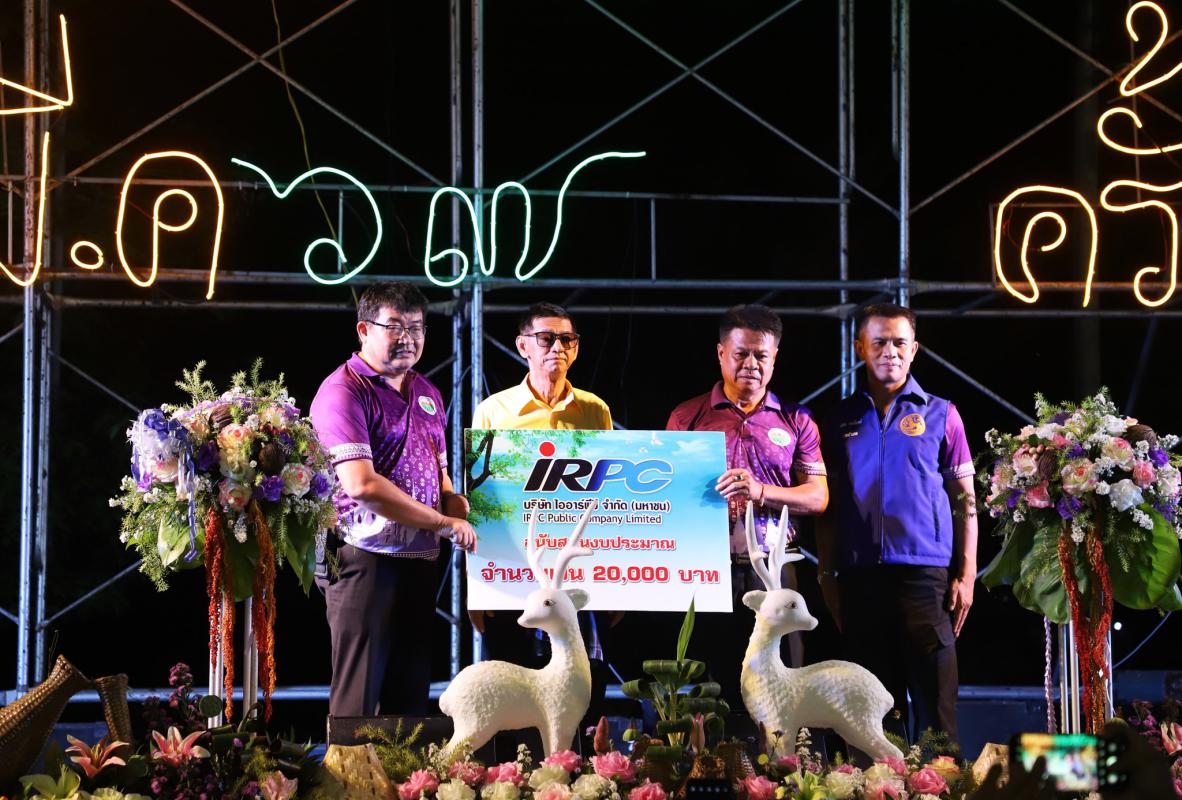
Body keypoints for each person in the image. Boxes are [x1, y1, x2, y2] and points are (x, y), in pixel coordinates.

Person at [311, 281, 476, 718]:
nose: (408, 338)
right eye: (395, 327)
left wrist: (452, 500)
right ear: (364, 329)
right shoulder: (343, 390)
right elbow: (361, 485)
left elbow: (439, 469)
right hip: (363, 557)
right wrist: (442, 523)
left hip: (419, 558)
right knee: (359, 698)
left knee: (410, 696)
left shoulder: (427, 392)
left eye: (417, 328)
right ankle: (347, 767)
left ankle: (403, 768)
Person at [818, 302, 977, 744]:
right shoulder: (838, 419)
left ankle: (939, 781)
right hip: (860, 580)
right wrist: (826, 575)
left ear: (914, 349)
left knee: (936, 715)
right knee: (871, 719)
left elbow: (966, 501)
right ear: (860, 348)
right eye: (879, 342)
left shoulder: (942, 414)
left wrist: (966, 573)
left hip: (925, 579)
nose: (890, 351)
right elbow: (827, 507)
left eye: (899, 343)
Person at [666, 303, 828, 703]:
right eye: (741, 354)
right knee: (710, 682)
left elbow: (818, 495)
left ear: (775, 358)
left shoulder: (797, 419)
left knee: (780, 683)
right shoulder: (687, 417)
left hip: (774, 567)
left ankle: (780, 746)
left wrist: (761, 492)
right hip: (707, 567)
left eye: (761, 355)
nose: (751, 364)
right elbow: (667, 499)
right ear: (721, 353)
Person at [469, 302, 617, 733]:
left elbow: (611, 503)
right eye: (546, 338)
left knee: (583, 685)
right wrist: (477, 588)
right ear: (523, 346)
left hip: (578, 573)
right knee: (511, 685)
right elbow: (481, 503)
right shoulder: (493, 410)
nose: (557, 347)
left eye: (566, 339)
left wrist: (619, 584)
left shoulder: (595, 411)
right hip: (513, 569)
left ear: (576, 348)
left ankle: (580, 769)